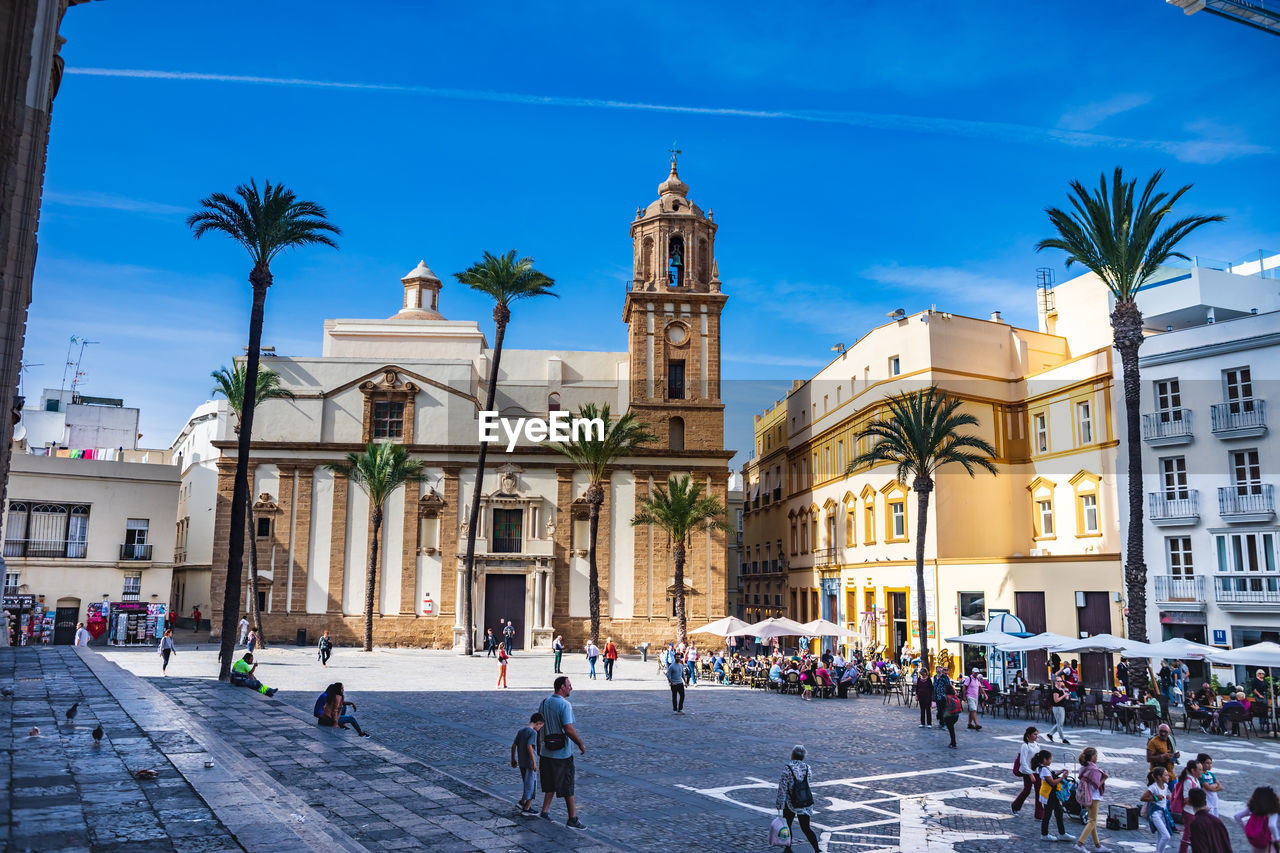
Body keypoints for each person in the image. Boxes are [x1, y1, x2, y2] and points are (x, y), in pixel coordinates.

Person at [537, 676, 586, 829]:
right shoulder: (565, 705)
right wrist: (580, 744)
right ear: (562, 687)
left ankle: (544, 812)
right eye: (569, 685)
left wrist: (538, 745)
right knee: (567, 785)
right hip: (562, 753)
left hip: (546, 751)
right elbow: (568, 729)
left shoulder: (544, 703)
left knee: (550, 783)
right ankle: (572, 818)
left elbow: (539, 725)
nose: (571, 688)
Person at [774, 745, 821, 853]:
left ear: (792, 755)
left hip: (791, 802)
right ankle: (816, 849)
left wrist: (779, 804)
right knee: (806, 828)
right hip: (805, 801)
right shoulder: (808, 768)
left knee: (788, 825)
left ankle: (788, 848)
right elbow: (807, 782)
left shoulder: (788, 768)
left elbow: (783, 788)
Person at [1074, 746, 1110, 853]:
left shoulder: (1084, 767)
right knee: (1093, 821)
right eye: (1096, 755)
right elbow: (1096, 785)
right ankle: (1080, 843)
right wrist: (1104, 778)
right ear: (1092, 757)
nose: (1097, 757)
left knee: (1092, 820)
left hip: (1087, 796)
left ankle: (1097, 845)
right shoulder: (1093, 769)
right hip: (1093, 796)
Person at [511, 712, 544, 816]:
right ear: (538, 723)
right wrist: (534, 763)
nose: (540, 730)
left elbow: (513, 745)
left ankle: (522, 802)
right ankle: (527, 808)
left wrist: (513, 759)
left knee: (527, 783)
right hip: (530, 763)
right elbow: (529, 746)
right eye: (541, 727)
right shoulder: (533, 733)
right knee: (532, 784)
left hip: (522, 761)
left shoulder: (521, 730)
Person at [1033, 748, 1068, 842]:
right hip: (1048, 795)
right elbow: (1052, 782)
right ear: (1045, 760)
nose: (1051, 760)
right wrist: (1062, 778)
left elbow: (1051, 776)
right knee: (1048, 814)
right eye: (1050, 759)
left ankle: (1062, 833)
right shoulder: (1043, 769)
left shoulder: (1044, 768)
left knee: (1059, 811)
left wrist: (1059, 772)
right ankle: (1044, 834)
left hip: (1052, 795)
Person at [1236, 785, 1280, 853]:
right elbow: (1272, 825)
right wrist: (1277, 839)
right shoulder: (1272, 811)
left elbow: (1237, 816)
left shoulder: (1252, 809)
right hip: (1268, 843)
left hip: (1255, 842)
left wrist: (1245, 829)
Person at [1186, 788, 1231, 853]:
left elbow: (1200, 849)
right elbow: (1226, 844)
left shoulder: (1196, 824)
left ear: (1189, 802)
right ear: (1205, 802)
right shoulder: (1217, 821)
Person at [1141, 766, 1175, 853]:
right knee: (1166, 836)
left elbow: (1163, 799)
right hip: (1155, 814)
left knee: (1161, 836)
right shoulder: (1153, 787)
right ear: (1159, 777)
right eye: (1166, 775)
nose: (1168, 777)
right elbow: (1143, 798)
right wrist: (1155, 798)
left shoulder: (1166, 786)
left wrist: (1167, 798)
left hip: (1163, 813)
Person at [1012, 726, 1042, 819]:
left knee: (1039, 792)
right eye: (1035, 734)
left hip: (1036, 771)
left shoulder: (1037, 745)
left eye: (1037, 734)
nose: (1036, 736)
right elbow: (1023, 762)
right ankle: (1015, 806)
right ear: (1029, 735)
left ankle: (1039, 814)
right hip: (1027, 771)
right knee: (1027, 790)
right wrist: (1030, 774)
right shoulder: (1025, 745)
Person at [1174, 759, 1202, 853]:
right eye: (1200, 769)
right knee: (1188, 834)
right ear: (1193, 770)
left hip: (1195, 811)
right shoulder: (1189, 781)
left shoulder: (1196, 779)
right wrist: (1199, 804)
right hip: (1189, 811)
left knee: (1194, 833)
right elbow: (1186, 799)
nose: (1202, 771)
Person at [1047, 676, 1071, 744]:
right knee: (1060, 724)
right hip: (1057, 707)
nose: (1060, 682)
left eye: (1061, 681)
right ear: (1055, 682)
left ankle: (1050, 734)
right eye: (1058, 681)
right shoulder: (1055, 690)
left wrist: (1067, 693)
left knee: (1060, 723)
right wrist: (1063, 695)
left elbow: (1066, 698)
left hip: (1061, 707)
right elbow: (1056, 700)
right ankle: (1063, 739)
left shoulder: (1061, 689)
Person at [1197, 753, 1221, 817]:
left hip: (1214, 801)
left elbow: (1220, 787)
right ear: (1201, 763)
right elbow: (1208, 788)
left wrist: (1212, 786)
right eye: (1207, 763)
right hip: (1207, 802)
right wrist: (1215, 785)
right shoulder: (1201, 775)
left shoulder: (1211, 774)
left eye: (1211, 763)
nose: (1210, 765)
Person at [941, 685, 962, 749]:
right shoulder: (954, 696)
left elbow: (942, 707)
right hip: (956, 715)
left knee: (951, 730)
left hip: (948, 716)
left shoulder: (945, 697)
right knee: (951, 729)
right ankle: (952, 742)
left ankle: (953, 743)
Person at [932, 664, 952, 730]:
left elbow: (948, 684)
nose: (939, 670)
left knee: (944, 710)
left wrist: (941, 677)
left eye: (940, 669)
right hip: (937, 696)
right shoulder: (935, 677)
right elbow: (934, 685)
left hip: (944, 696)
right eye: (937, 669)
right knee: (939, 710)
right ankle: (941, 723)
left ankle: (945, 724)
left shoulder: (945, 677)